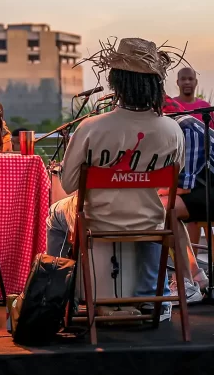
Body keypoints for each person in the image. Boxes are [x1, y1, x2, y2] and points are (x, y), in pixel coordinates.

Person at [46, 38, 185, 321]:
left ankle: (58, 296)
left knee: (55, 215)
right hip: (148, 222)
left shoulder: (91, 127)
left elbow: (71, 185)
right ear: (156, 84)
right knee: (156, 219)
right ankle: (148, 296)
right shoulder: (173, 130)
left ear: (115, 82)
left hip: (98, 221)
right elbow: (171, 179)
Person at [161, 97, 214, 302]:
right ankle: (194, 276)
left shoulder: (186, 128)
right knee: (164, 206)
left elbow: (183, 187)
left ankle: (186, 281)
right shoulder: (173, 132)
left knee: (165, 208)